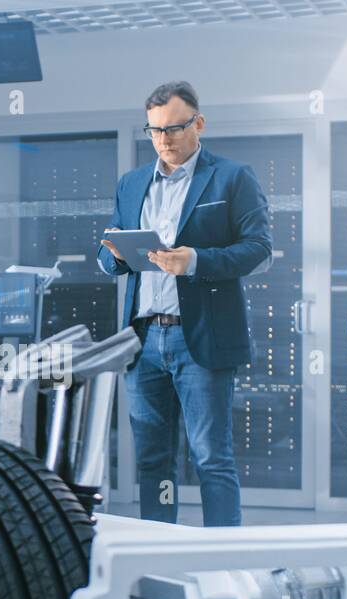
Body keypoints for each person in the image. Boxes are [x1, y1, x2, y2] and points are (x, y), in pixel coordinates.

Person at [98, 80, 273, 527]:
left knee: (211, 456)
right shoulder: (132, 183)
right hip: (144, 340)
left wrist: (195, 261)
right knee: (153, 461)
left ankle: (223, 561)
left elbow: (259, 250)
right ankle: (160, 555)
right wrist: (112, 256)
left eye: (174, 128)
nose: (164, 140)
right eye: (154, 131)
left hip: (202, 340)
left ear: (199, 124)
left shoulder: (232, 178)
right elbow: (108, 252)